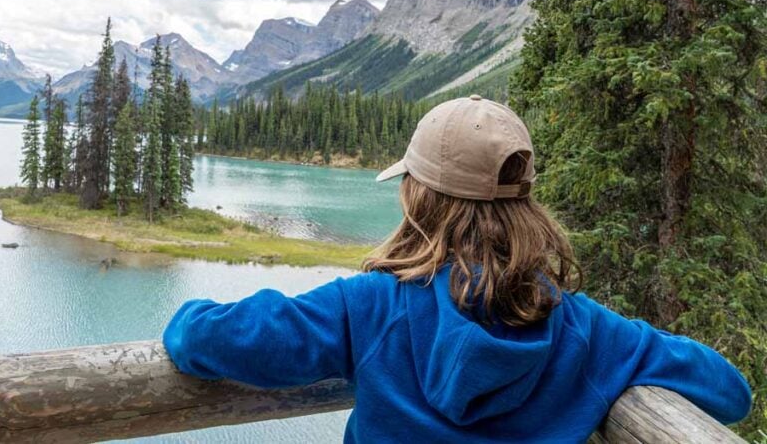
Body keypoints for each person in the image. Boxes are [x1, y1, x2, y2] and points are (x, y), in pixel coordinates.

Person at [162, 95, 752, 442]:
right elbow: (727, 392)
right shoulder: (585, 330)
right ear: (526, 203)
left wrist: (190, 310)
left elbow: (201, 337)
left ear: (418, 196)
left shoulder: (370, 307)